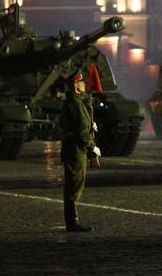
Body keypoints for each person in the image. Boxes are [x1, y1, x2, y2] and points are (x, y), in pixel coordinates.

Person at [60, 72, 101, 232]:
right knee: (74, 184)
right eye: (81, 82)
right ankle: (72, 222)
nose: (84, 84)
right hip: (76, 149)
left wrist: (91, 126)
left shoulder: (73, 103)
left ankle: (72, 221)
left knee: (73, 183)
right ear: (76, 86)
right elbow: (82, 131)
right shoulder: (76, 105)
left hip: (72, 147)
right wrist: (92, 147)